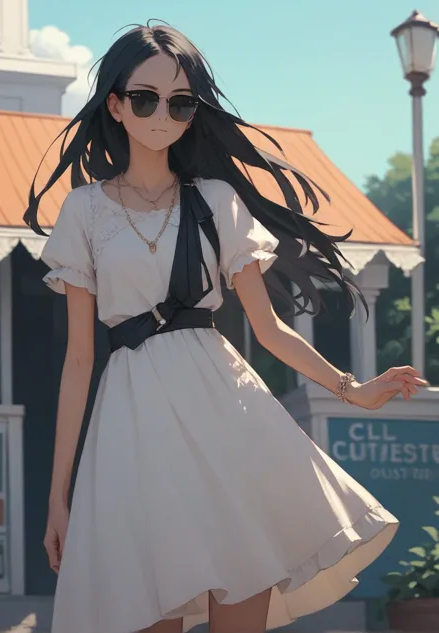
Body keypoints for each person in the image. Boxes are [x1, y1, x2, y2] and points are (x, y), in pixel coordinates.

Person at [24, 22, 428, 633]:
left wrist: (356, 389)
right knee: (145, 605)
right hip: (133, 430)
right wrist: (59, 497)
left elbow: (269, 331)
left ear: (193, 113)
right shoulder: (84, 209)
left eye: (180, 102)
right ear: (115, 103)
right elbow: (80, 360)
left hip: (227, 416)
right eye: (144, 98)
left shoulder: (216, 201)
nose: (163, 113)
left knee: (242, 602)